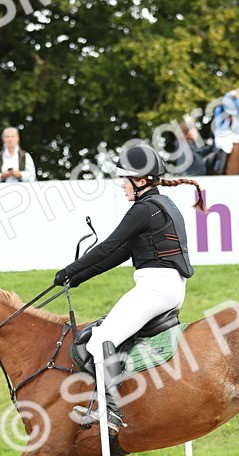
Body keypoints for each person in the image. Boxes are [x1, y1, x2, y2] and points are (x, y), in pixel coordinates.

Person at [53, 143, 206, 435]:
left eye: (125, 178)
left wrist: (68, 270)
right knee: (110, 336)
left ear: (141, 180)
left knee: (100, 341)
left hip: (156, 288)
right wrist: (78, 278)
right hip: (167, 287)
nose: (122, 185)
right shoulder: (161, 205)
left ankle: (110, 411)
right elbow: (119, 254)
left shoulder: (144, 209)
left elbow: (108, 245)